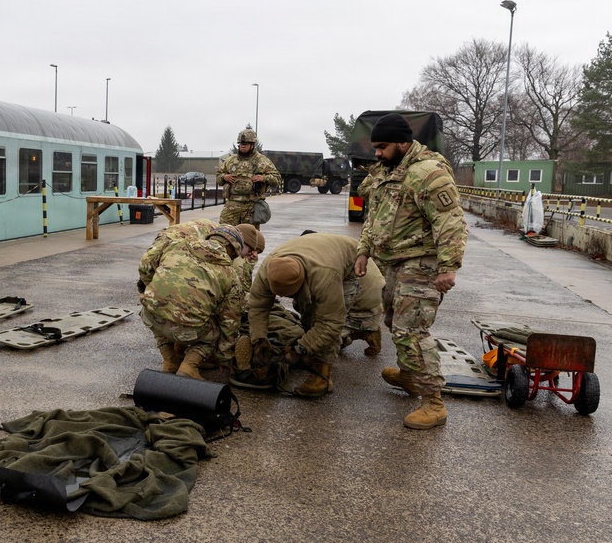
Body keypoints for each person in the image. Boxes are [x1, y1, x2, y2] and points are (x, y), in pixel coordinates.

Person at [354, 113, 467, 430]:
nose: (377, 152)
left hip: (422, 262)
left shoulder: (428, 173)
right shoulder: (387, 171)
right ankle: (409, 375)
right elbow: (374, 216)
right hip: (394, 262)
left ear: (403, 142)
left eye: (383, 146)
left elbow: (451, 223)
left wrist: (448, 267)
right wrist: (364, 251)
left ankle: (433, 402)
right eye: (375, 146)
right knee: (392, 320)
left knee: (411, 331)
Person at [239, 233, 384, 395]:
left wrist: (300, 349)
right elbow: (258, 307)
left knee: (325, 320)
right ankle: (314, 352)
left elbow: (330, 324)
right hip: (317, 256)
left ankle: (322, 376)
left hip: (348, 261)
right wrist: (259, 340)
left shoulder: (325, 276)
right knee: (307, 316)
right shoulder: (268, 270)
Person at [139, 225, 250, 379]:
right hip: (187, 328)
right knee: (216, 330)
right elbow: (230, 322)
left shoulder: (177, 244)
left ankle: (170, 361)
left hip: (150, 317)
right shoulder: (230, 275)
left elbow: (145, 264)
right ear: (233, 250)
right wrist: (223, 356)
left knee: (159, 308)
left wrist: (150, 287)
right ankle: (189, 366)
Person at [216, 126, 280, 227]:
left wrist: (263, 178)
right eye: (241, 144)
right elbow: (218, 176)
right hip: (232, 204)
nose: (242, 146)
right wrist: (224, 177)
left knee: (249, 237)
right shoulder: (231, 161)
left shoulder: (262, 161)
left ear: (253, 145)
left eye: (245, 144)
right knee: (224, 231)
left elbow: (277, 179)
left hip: (251, 206)